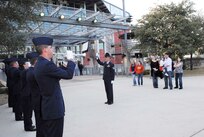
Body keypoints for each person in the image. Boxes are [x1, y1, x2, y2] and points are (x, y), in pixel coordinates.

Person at [33, 37, 76, 137]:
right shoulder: (47, 65)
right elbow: (69, 75)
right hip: (53, 109)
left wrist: (63, 67)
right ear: (45, 50)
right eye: (51, 48)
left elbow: (52, 77)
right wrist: (71, 61)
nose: (53, 50)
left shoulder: (41, 63)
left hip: (49, 107)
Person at [26, 52, 42, 136]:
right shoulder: (34, 72)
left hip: (36, 99)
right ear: (36, 61)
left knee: (40, 124)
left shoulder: (31, 71)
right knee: (40, 125)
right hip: (38, 100)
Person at [20, 59, 36, 131]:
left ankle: (28, 125)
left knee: (28, 112)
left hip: (25, 93)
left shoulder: (24, 72)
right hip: (27, 94)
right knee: (28, 112)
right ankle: (28, 126)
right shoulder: (26, 72)